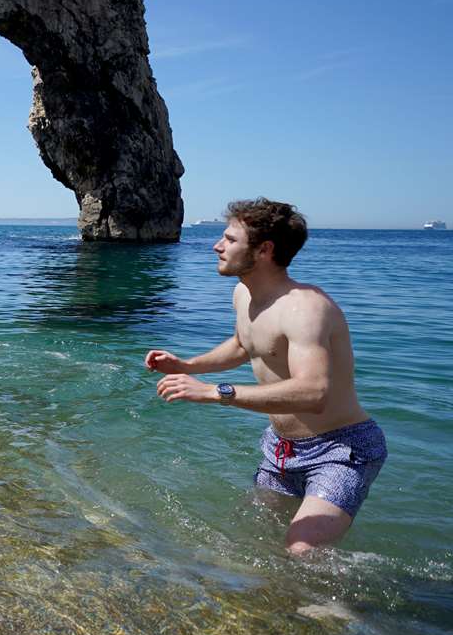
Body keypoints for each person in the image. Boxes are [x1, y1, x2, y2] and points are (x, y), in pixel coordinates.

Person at [144, 198, 386, 556]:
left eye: (229, 239)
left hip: (340, 449)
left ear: (264, 250)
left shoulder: (306, 308)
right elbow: (246, 343)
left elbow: (312, 392)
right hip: (281, 449)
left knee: (302, 548)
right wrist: (186, 366)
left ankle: (336, 612)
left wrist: (213, 392)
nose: (217, 246)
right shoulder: (244, 294)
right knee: (251, 535)